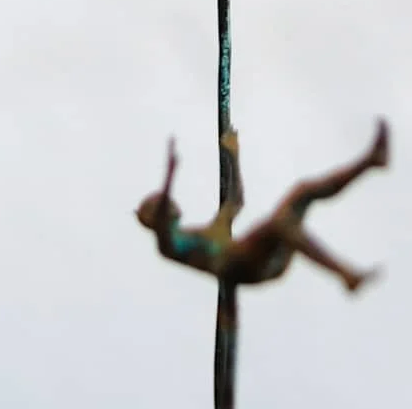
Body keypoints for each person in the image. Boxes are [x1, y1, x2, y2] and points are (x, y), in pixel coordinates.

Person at [135, 120, 389, 294]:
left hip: (262, 258)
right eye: (159, 202)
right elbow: (161, 226)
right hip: (245, 266)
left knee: (302, 192)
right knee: (278, 225)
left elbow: (235, 201)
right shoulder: (171, 246)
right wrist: (169, 175)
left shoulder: (206, 235)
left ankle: (371, 161)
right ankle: (346, 275)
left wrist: (233, 154)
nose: (167, 201)